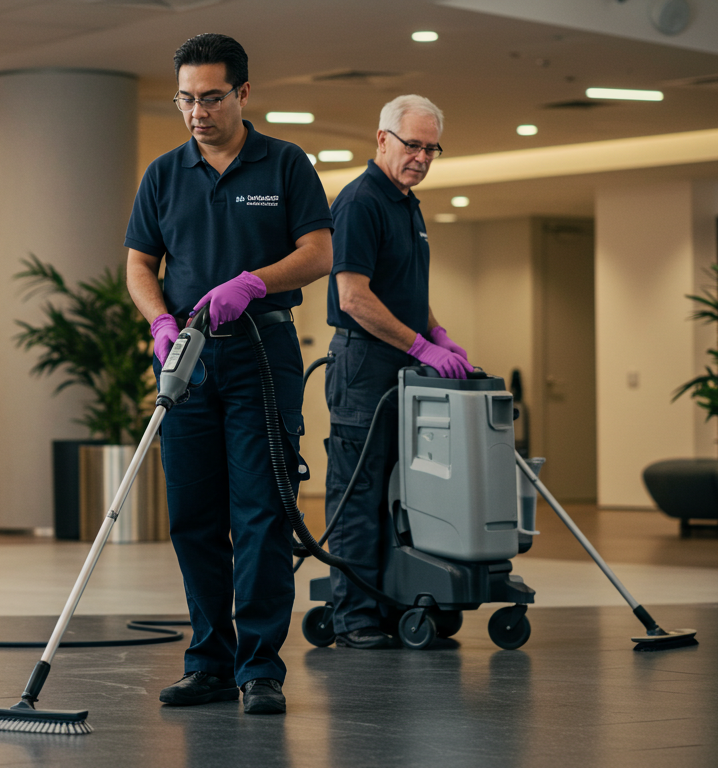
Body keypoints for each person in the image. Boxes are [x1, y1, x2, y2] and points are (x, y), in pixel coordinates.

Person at [125, 33, 333, 715]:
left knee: (262, 514)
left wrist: (253, 282)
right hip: (187, 360)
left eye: (210, 97)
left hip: (261, 355)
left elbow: (318, 253)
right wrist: (159, 321)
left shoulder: (285, 164)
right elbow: (138, 265)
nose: (196, 112)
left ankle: (260, 670)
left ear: (242, 93)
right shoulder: (163, 174)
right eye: (185, 98)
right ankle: (209, 661)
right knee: (193, 517)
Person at [324, 95, 473, 649]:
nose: (422, 157)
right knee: (358, 490)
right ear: (382, 138)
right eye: (413, 144)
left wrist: (437, 335)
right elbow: (354, 297)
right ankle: (354, 617)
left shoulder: (407, 204)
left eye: (432, 147)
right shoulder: (360, 201)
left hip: (404, 358)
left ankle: (392, 603)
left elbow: (407, 294)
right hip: (365, 363)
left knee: (403, 490)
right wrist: (422, 346)